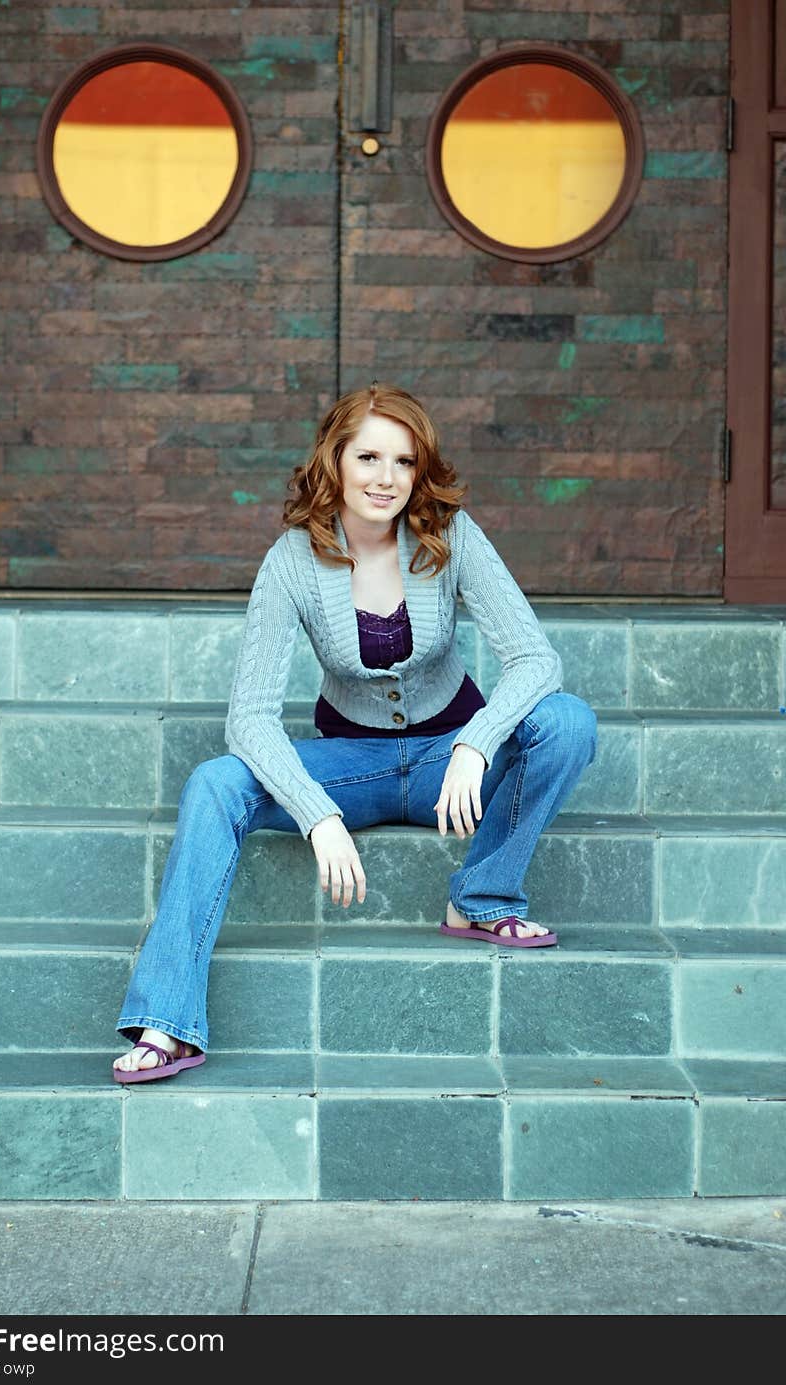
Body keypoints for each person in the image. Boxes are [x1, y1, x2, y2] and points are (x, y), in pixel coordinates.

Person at [113, 382, 597, 1082]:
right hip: (351, 766)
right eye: (368, 456)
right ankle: (169, 1021)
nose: (385, 478)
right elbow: (248, 716)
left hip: (446, 763)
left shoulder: (449, 533)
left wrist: (476, 740)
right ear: (335, 459)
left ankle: (483, 896)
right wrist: (317, 816)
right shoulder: (291, 559)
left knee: (565, 721)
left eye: (403, 461)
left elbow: (535, 658)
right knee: (215, 782)